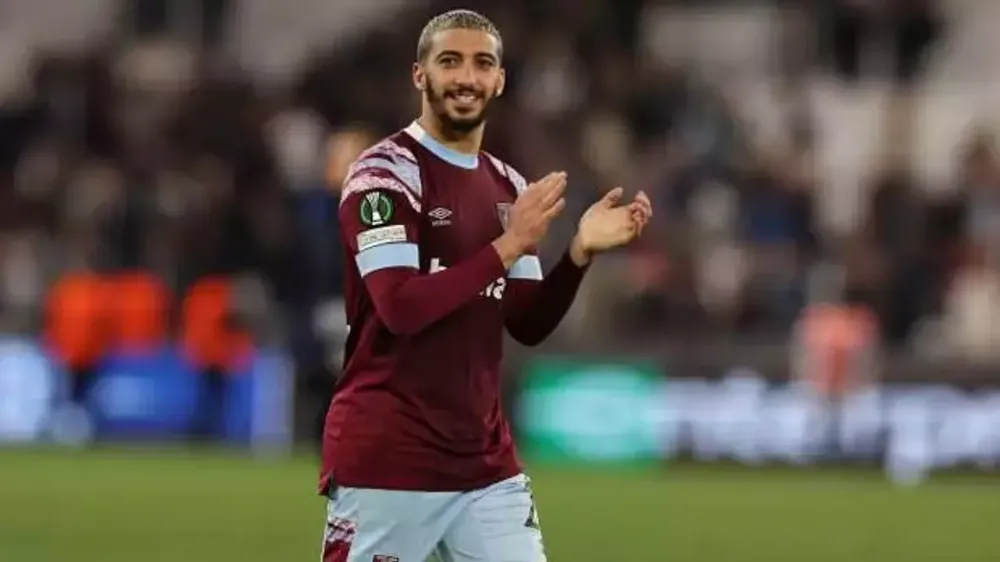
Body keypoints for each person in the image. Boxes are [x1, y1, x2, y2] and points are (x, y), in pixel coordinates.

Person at [320, 9, 652, 562]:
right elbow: (400, 307)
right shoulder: (383, 175)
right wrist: (509, 244)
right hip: (389, 461)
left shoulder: (508, 185)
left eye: (482, 64)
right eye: (450, 61)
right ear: (420, 75)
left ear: (499, 79)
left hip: (484, 466)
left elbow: (527, 321)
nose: (466, 77)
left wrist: (578, 254)